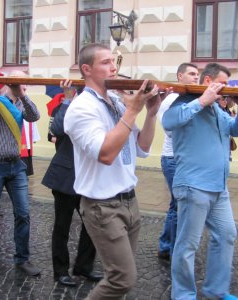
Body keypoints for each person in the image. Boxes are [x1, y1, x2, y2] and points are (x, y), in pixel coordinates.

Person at [64, 43, 171, 299]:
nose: (114, 67)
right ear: (86, 69)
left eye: (114, 61)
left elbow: (142, 147)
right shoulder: (80, 108)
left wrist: (151, 113)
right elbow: (106, 154)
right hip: (102, 206)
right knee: (122, 279)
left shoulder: (115, 101)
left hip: (129, 201)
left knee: (119, 278)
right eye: (106, 62)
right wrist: (134, 108)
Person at [163, 63, 238, 300]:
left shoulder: (218, 110)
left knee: (226, 235)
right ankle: (183, 295)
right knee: (187, 246)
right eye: (223, 83)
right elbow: (168, 122)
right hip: (193, 186)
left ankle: (216, 290)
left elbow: (237, 131)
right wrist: (202, 100)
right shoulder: (183, 102)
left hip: (218, 187)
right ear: (208, 81)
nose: (226, 89)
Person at [0, 71, 41, 276]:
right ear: (8, 83)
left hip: (16, 165)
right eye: (22, 83)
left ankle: (22, 258)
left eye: (26, 84)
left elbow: (34, 116)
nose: (24, 87)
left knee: (23, 213)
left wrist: (23, 95)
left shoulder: (20, 102)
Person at [42, 80, 102, 287]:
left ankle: (83, 266)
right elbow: (56, 129)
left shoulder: (96, 109)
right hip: (66, 177)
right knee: (62, 227)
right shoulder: (65, 106)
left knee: (92, 225)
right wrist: (67, 100)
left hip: (89, 176)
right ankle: (60, 271)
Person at [157, 63, 199, 260]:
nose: (195, 77)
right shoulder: (172, 99)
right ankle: (174, 249)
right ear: (180, 76)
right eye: (191, 74)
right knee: (178, 205)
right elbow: (171, 130)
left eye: (197, 74)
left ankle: (166, 245)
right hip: (173, 158)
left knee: (176, 204)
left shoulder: (192, 98)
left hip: (185, 158)